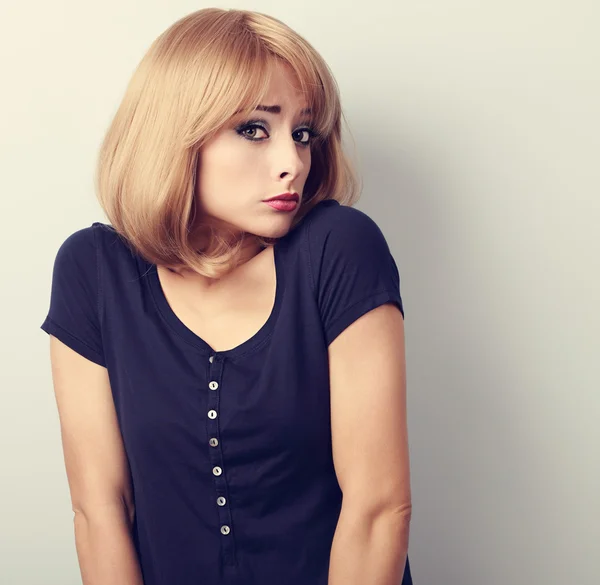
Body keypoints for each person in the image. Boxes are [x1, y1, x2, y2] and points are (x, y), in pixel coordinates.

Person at [40, 8, 413, 585]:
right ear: (176, 135)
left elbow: (378, 510)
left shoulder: (338, 249)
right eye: (254, 129)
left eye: (303, 132)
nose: (292, 162)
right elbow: (100, 511)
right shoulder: (93, 271)